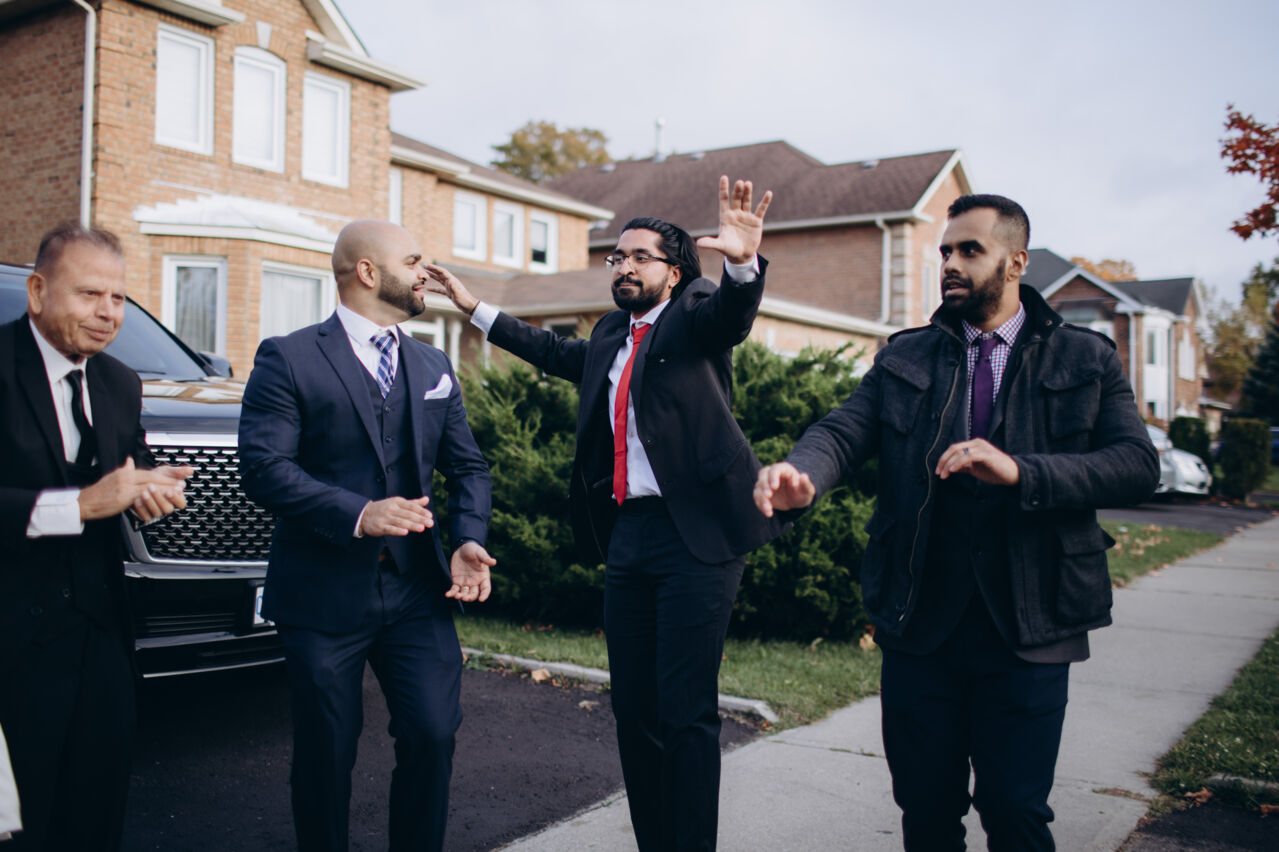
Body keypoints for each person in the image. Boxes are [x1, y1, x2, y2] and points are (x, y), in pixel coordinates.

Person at [754, 194, 1160, 850]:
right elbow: (842, 430)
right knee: (925, 810)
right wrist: (803, 472)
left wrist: (1022, 471)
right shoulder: (905, 357)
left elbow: (1136, 465)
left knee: (1015, 811)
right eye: (945, 250)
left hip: (1030, 624)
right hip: (920, 623)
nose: (949, 262)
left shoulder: (1084, 358)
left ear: (1015, 262)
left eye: (969, 250)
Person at [426, 176, 779, 851]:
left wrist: (741, 265)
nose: (623, 267)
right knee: (635, 711)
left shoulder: (694, 312)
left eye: (641, 257)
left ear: (674, 272)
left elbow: (732, 316)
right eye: (617, 257)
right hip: (630, 535)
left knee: (686, 711)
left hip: (696, 538)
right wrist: (472, 307)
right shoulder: (614, 332)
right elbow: (554, 353)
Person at [238, 220, 494, 852]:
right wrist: (359, 513)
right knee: (326, 751)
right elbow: (264, 468)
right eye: (413, 261)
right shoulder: (288, 357)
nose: (425, 272)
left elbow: (467, 466)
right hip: (322, 589)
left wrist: (466, 538)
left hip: (416, 590)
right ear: (368, 272)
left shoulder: (432, 363)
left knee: (433, 733)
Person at [0, 223, 192, 851]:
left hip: (103, 638)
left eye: (117, 297)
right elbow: (90, 498)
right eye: (89, 294)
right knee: (21, 824)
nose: (109, 313)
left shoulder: (120, 383)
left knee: (97, 814)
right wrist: (81, 505)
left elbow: (129, 470)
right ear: (37, 291)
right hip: (12, 645)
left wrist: (151, 496)